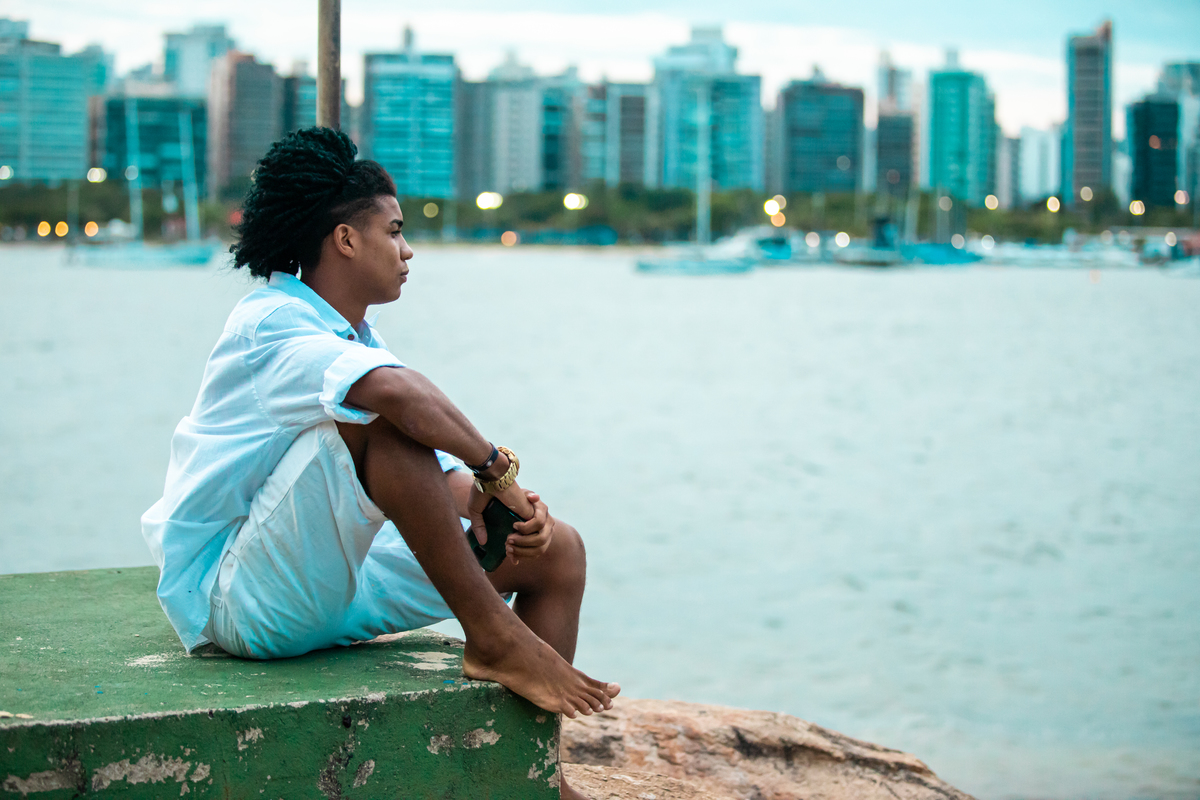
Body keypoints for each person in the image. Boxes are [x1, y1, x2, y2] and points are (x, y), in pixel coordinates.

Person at [142, 127, 618, 798]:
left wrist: (482, 501)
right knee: (385, 420)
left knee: (558, 551)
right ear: (345, 240)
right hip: (242, 597)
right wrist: (493, 471)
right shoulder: (270, 322)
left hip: (333, 579)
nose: (408, 249)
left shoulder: (352, 335)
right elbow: (397, 400)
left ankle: (530, 774)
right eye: (394, 232)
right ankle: (495, 640)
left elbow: (410, 468)